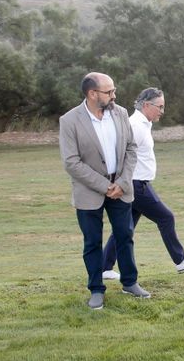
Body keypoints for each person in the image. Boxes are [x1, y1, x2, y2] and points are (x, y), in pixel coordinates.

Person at [59, 72, 151, 310]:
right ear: (92, 94)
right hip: (89, 192)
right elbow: (71, 162)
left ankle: (130, 282)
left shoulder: (120, 113)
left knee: (125, 236)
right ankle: (96, 289)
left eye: (114, 90)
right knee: (92, 242)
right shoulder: (69, 121)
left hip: (121, 187)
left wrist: (122, 182)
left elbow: (132, 148)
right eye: (109, 92)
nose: (114, 95)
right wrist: (104, 186)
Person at [101, 88, 184, 281]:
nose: (162, 111)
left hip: (137, 183)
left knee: (125, 228)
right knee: (166, 218)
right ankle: (180, 260)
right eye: (160, 106)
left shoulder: (143, 124)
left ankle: (104, 267)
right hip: (136, 185)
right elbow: (121, 155)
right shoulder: (136, 126)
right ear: (147, 105)